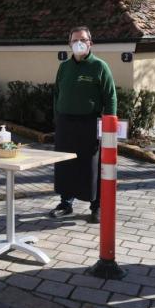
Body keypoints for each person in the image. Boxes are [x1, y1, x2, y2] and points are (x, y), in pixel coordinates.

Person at [50, 26, 117, 224]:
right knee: (64, 165)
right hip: (65, 124)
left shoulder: (99, 67)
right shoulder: (64, 67)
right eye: (75, 40)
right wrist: (57, 118)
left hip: (89, 124)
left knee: (91, 166)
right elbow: (56, 94)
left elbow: (110, 97)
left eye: (83, 40)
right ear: (69, 44)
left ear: (90, 43)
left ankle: (96, 206)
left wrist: (109, 126)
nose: (79, 43)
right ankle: (65, 203)